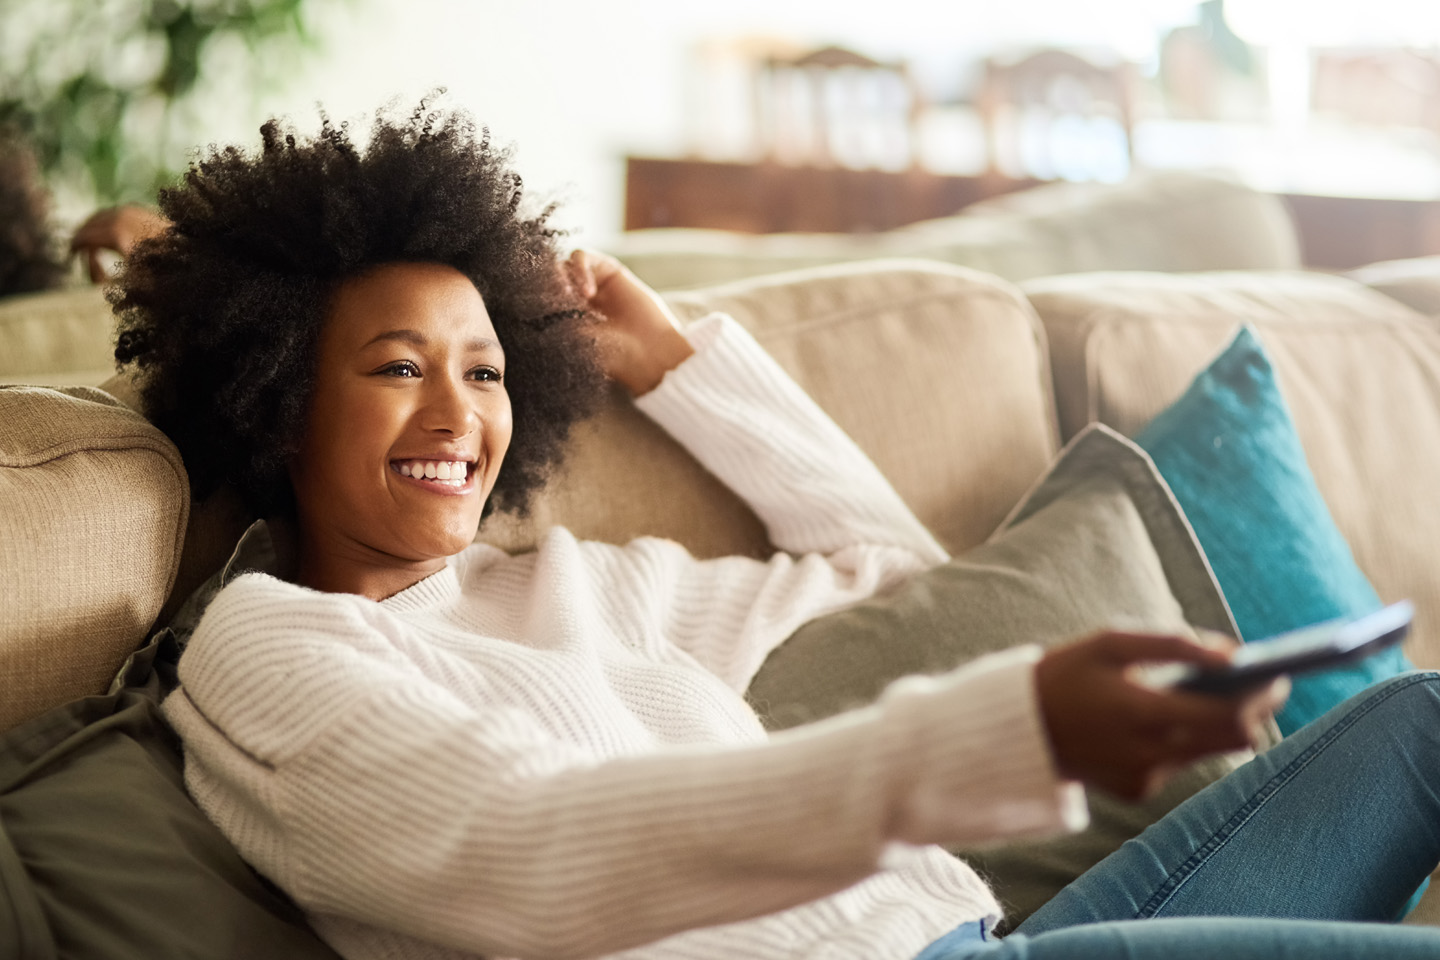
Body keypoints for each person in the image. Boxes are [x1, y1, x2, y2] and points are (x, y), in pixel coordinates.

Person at [107, 100, 1440, 960]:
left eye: (489, 367)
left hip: (990, 936)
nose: (458, 411)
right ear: (275, 397)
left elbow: (888, 575)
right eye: (400, 366)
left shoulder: (575, 589)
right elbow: (531, 856)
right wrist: (1014, 734)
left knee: (1420, 717)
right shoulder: (265, 648)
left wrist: (686, 370)